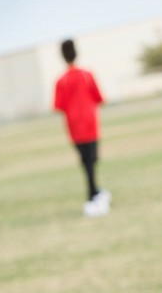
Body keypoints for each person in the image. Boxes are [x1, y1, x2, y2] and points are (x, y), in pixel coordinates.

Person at [54, 39, 111, 218]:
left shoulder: (61, 80)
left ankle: (93, 192)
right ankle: (93, 194)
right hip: (89, 124)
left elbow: (59, 106)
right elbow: (99, 98)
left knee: (87, 161)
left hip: (74, 127)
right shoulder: (86, 75)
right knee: (91, 160)